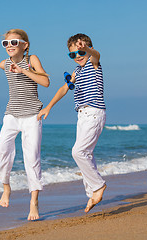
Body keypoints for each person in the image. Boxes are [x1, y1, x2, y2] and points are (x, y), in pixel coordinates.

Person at [37, 33, 106, 213]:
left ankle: (98, 186)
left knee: (78, 152)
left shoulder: (93, 64)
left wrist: (88, 50)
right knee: (87, 154)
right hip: (82, 116)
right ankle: (92, 193)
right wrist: (49, 107)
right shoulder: (77, 72)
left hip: (94, 112)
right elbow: (63, 89)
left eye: (80, 52)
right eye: (72, 55)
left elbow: (96, 54)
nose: (78, 57)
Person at [0, 29, 50, 221]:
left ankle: (33, 202)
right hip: (11, 114)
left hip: (32, 115)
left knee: (31, 157)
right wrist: (11, 67)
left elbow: (45, 81)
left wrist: (23, 70)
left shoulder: (32, 59)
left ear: (24, 45)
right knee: (2, 149)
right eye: (6, 43)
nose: (9, 46)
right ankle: (6, 188)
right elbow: (2, 65)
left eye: (14, 42)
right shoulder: (4, 63)